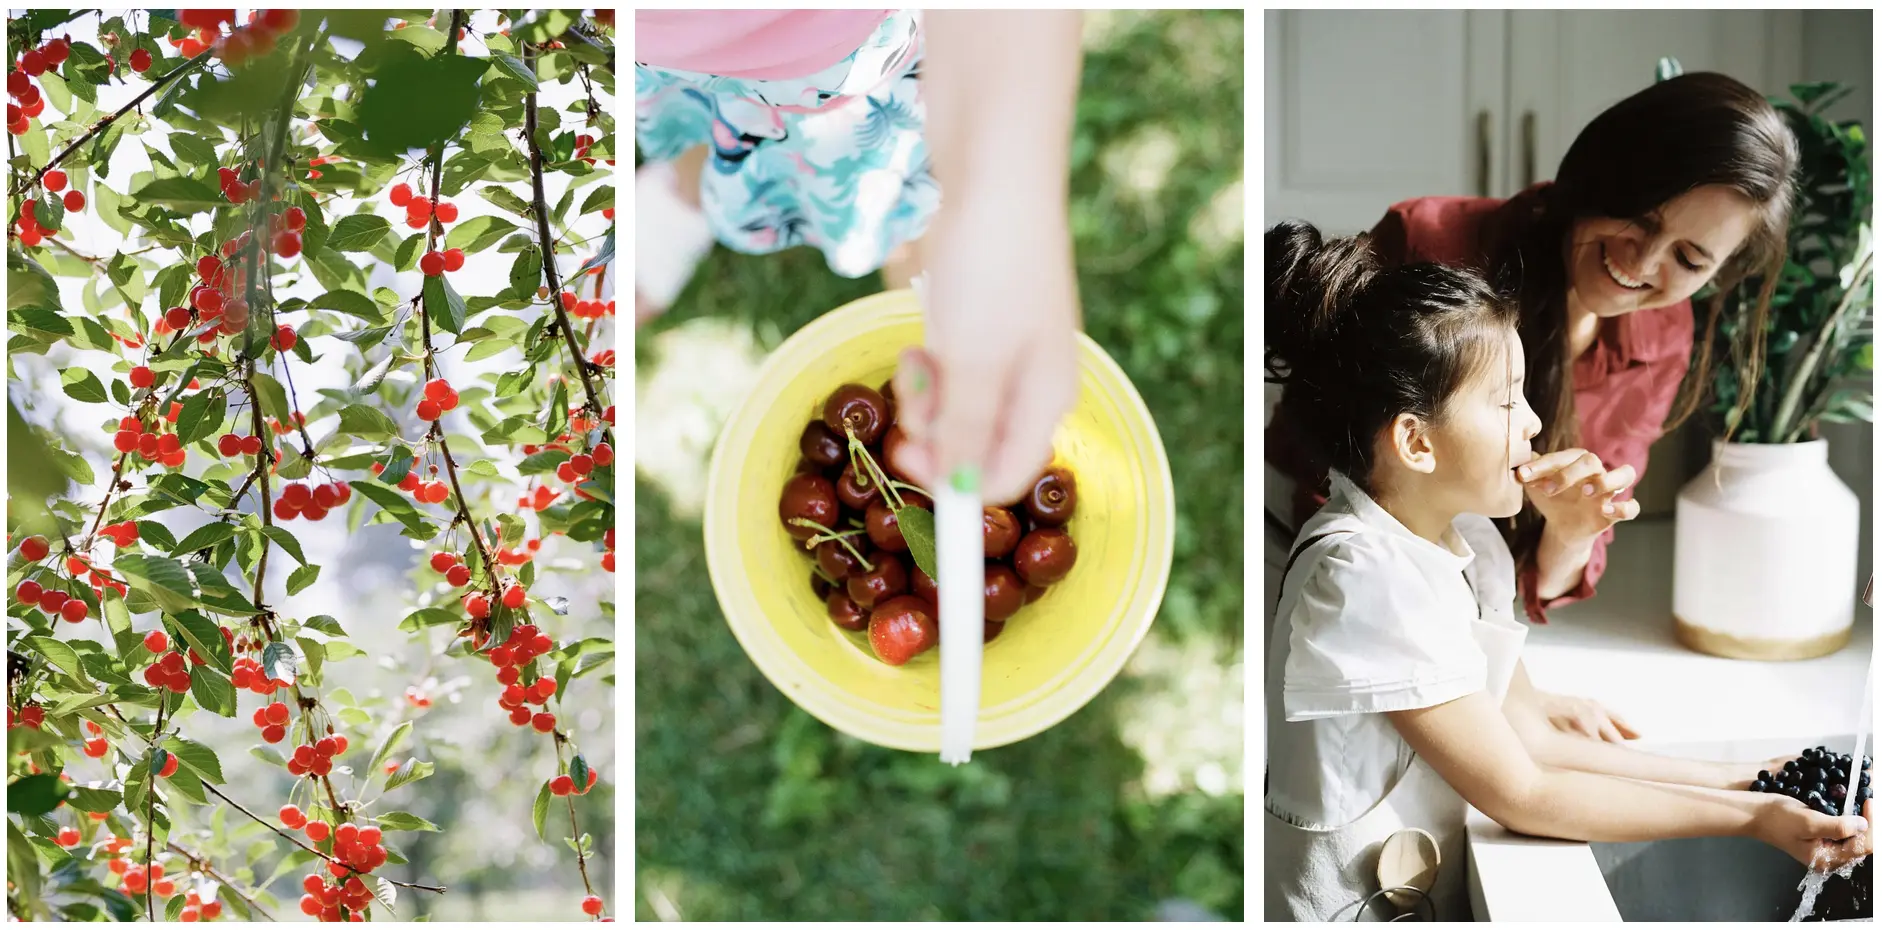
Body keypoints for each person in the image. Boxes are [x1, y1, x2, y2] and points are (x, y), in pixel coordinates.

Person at [1261, 220, 1870, 921]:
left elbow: (1534, 736)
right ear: (1416, 441)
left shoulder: (1464, 542)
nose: (1532, 423)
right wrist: (1752, 819)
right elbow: (1523, 790)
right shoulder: (1360, 574)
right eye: (1504, 401)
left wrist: (1750, 780)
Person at [1265, 71, 1800, 743]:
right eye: (1640, 217)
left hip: (1459, 633)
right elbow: (1340, 482)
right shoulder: (1432, 240)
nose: (1644, 262)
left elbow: (1550, 572)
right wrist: (1499, 694)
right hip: (1311, 570)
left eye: (1689, 259)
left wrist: (1573, 532)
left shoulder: (1664, 337)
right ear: (1603, 170)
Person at [635, 10, 1081, 506]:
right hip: (658, 47)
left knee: (893, 200)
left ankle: (908, 258)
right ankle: (688, 189)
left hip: (839, 53)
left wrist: (1004, 210)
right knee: (691, 114)